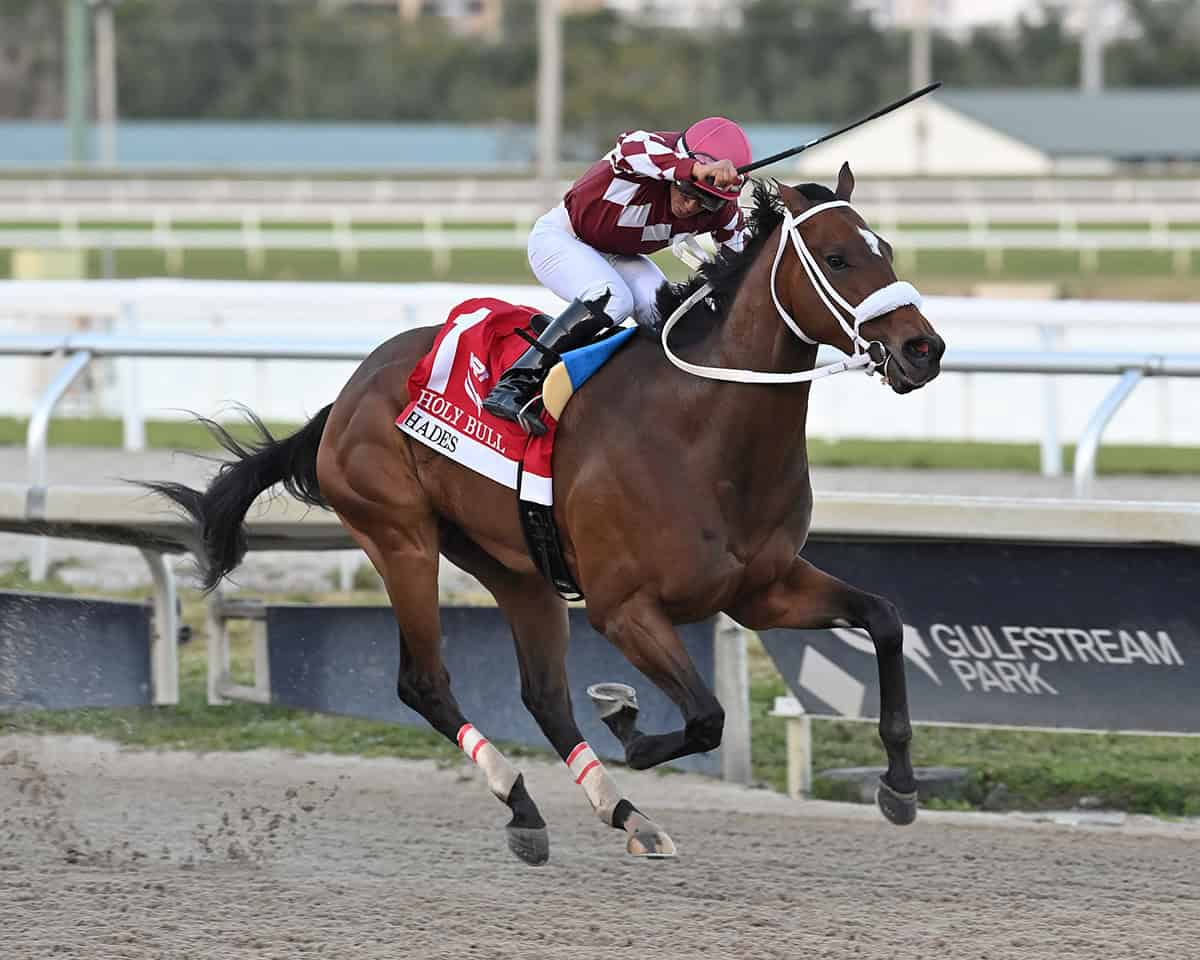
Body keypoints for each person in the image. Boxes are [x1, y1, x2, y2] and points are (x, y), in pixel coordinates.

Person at [482, 117, 753, 435]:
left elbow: (746, 264)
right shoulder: (642, 155)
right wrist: (693, 171)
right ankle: (513, 386)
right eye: (686, 190)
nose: (691, 205)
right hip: (562, 238)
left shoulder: (722, 213)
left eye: (705, 201)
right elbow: (629, 145)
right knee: (613, 299)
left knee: (672, 318)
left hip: (619, 256)